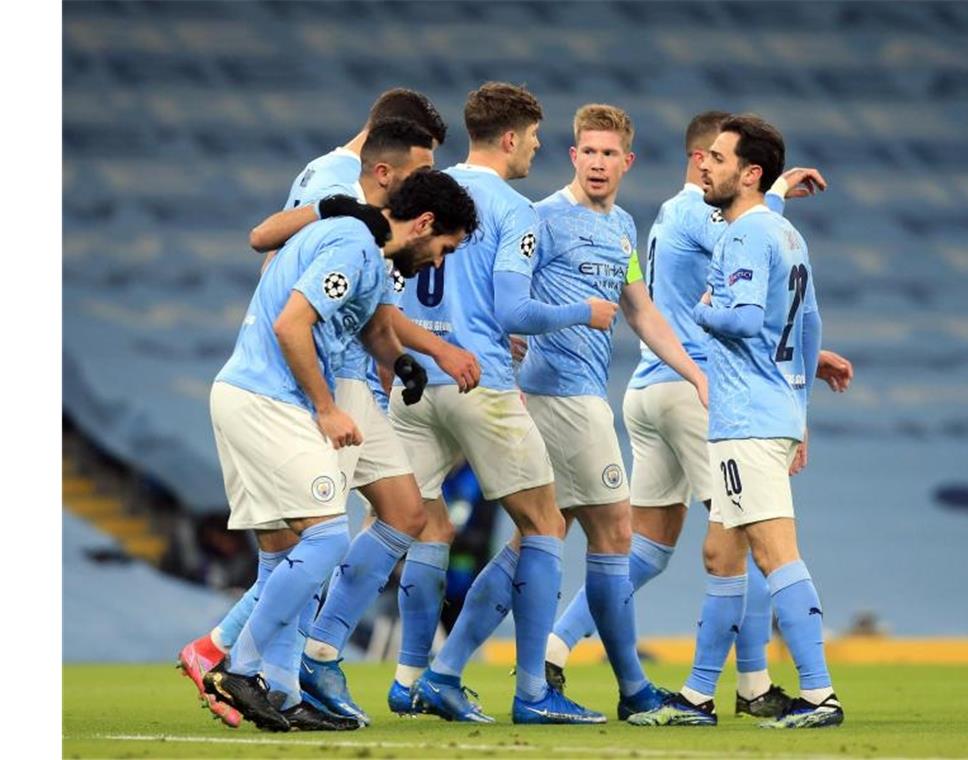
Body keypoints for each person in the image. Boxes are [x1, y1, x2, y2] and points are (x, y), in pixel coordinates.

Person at [176, 92, 476, 728]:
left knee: (293, 543)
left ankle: (278, 687)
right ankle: (237, 662)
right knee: (324, 537)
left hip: (274, 393)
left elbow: (361, 319)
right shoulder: (351, 232)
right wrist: (325, 407)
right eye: (444, 248)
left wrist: (404, 360)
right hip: (276, 396)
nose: (440, 262)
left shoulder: (362, 239)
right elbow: (293, 323)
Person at [544, 111, 854, 722]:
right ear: (701, 158)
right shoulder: (719, 220)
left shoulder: (663, 217)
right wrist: (778, 198)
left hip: (650, 388)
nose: (710, 164)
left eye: (720, 157)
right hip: (704, 390)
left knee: (655, 550)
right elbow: (757, 273)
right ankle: (757, 683)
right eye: (709, 155)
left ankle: (561, 648)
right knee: (748, 546)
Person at [396, 82, 616, 725]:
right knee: (544, 527)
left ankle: (405, 675)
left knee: (414, 526)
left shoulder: (427, 193)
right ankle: (531, 693)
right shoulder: (514, 208)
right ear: (513, 137)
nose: (540, 148)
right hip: (481, 382)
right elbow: (511, 310)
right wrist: (587, 311)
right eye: (537, 136)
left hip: (417, 375)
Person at [628, 115, 843, 728]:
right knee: (722, 554)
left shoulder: (744, 237)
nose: (706, 166)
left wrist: (704, 311)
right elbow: (810, 327)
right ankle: (697, 698)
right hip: (763, 412)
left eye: (719, 159)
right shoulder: (785, 234)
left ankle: (820, 694)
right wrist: (799, 415)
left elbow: (745, 319)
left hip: (745, 417)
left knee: (777, 556)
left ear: (749, 173)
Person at [511, 103, 699, 719]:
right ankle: (635, 691)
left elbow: (641, 312)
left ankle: (450, 669)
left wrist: (692, 370)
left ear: (627, 161)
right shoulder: (541, 219)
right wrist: (503, 349)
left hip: (583, 397)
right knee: (616, 533)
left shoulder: (622, 228)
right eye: (586, 152)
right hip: (560, 396)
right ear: (573, 157)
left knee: (534, 541)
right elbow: (506, 297)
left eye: (607, 153)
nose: (596, 162)